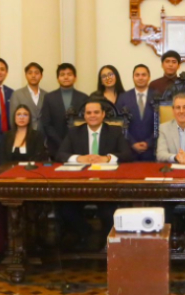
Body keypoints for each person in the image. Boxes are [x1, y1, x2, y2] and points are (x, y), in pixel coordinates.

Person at [55, 100, 133, 248]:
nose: (92, 116)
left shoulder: (114, 132)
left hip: (107, 187)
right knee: (65, 208)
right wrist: (79, 158)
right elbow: (60, 154)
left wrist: (107, 158)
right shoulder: (74, 132)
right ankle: (87, 233)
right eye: (88, 113)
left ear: (103, 114)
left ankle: (106, 242)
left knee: (108, 211)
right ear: (84, 115)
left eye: (96, 112)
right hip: (79, 186)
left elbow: (127, 154)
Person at [39, 63, 90, 158]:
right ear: (58, 78)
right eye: (62, 75)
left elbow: (87, 121)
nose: (66, 77)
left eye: (69, 74)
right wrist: (60, 142)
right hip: (55, 146)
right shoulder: (49, 98)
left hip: (79, 146)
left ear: (75, 77)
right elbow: (46, 123)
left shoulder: (84, 97)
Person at [117, 64, 156, 162]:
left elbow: (161, 123)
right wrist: (132, 143)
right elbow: (119, 124)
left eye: (144, 75)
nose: (140, 78)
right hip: (129, 150)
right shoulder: (123, 97)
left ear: (149, 77)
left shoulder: (157, 96)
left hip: (152, 150)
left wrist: (149, 142)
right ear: (133, 77)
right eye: (137, 75)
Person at [10, 62, 47, 130]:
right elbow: (12, 118)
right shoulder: (17, 94)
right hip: (24, 134)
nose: (33, 75)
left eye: (36, 73)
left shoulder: (46, 95)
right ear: (26, 75)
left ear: (41, 76)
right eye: (30, 73)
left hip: (43, 135)